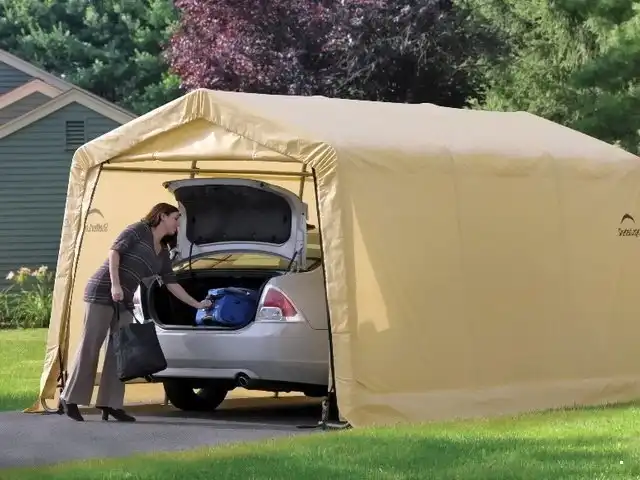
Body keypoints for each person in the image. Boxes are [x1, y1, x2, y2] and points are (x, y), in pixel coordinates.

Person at [60, 203, 212, 422]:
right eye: (175, 218)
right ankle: (70, 398)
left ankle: (110, 404)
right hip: (102, 291)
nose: (178, 223)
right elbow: (114, 252)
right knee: (90, 346)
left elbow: (171, 283)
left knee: (121, 352)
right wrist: (115, 285)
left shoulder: (163, 252)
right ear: (162, 216)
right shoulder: (138, 230)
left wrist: (196, 304)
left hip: (125, 300)